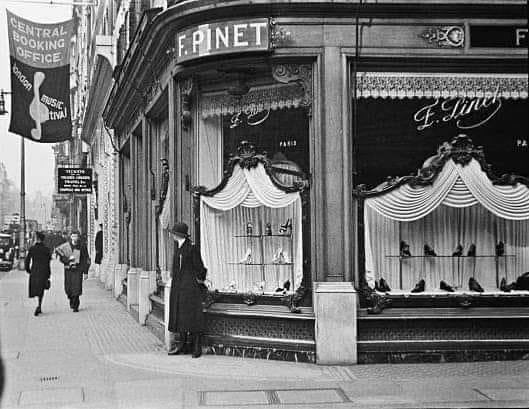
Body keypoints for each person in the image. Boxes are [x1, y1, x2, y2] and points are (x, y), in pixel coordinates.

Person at [167, 222, 207, 358]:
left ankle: (196, 346)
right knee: (180, 316)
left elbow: (200, 267)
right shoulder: (178, 247)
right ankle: (183, 344)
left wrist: (199, 280)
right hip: (178, 287)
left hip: (189, 288)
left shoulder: (191, 248)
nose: (172, 235)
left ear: (178, 235)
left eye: (173, 233)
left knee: (191, 316)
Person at [56, 231, 90, 312]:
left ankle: (76, 306)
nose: (75, 237)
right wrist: (67, 259)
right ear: (70, 237)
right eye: (73, 236)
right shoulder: (66, 246)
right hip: (68, 269)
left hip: (78, 269)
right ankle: (71, 298)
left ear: (78, 237)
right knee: (68, 288)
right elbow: (61, 258)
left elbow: (86, 259)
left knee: (77, 287)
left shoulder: (82, 246)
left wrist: (85, 271)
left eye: (76, 236)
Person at [24, 231, 51, 316]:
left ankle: (38, 305)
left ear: (37, 239)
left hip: (35, 270)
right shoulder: (46, 249)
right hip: (44, 271)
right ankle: (39, 305)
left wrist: (28, 269)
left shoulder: (32, 248)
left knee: (35, 287)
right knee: (42, 289)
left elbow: (27, 260)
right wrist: (49, 273)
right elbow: (48, 262)